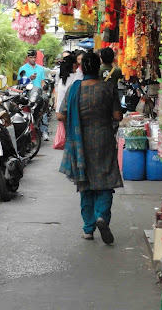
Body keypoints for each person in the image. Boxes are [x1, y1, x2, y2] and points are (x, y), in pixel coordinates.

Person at [57, 53, 123, 244]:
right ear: (98, 66)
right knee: (105, 180)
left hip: (81, 142)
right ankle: (102, 216)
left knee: (85, 185)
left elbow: (61, 116)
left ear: (83, 69)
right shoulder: (107, 88)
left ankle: (88, 228)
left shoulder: (73, 89)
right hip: (103, 139)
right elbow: (117, 116)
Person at [19, 50, 49, 141]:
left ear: (36, 57)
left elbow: (42, 81)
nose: (32, 59)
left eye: (34, 57)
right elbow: (20, 83)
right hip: (27, 95)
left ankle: (44, 132)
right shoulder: (22, 69)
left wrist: (44, 90)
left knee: (43, 111)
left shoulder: (40, 69)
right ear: (28, 57)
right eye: (31, 57)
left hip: (38, 94)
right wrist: (29, 78)